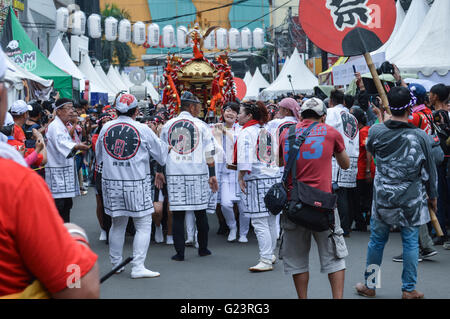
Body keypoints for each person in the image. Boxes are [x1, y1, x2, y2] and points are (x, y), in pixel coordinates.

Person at [0, 48, 99, 299]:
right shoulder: (15, 184)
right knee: (63, 216)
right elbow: (79, 289)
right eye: (69, 110)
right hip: (53, 175)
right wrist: (75, 240)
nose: (72, 113)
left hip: (58, 172)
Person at [355, 86, 438, 299]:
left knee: (377, 241)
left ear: (387, 106)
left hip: (383, 195)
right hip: (411, 196)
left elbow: (371, 150)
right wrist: (433, 195)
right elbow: (430, 168)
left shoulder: (376, 131)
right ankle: (408, 289)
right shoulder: (419, 136)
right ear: (410, 107)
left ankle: (370, 285)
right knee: (410, 241)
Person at [278, 97, 350, 299]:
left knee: (297, 260)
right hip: (323, 204)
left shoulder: (287, 133)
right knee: (334, 257)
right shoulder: (331, 133)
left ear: (300, 115)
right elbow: (345, 165)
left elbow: (280, 162)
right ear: (323, 117)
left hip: (294, 203)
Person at [96, 93, 168, 278]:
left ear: (116, 109)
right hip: (136, 182)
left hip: (111, 182)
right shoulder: (142, 129)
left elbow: (99, 157)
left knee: (117, 223)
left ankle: (116, 264)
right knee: (143, 224)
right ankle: (137, 267)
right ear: (136, 111)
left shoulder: (106, 128)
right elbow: (161, 155)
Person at [159, 91, 219, 261]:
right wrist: (212, 174)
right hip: (197, 173)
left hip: (175, 173)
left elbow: (162, 152)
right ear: (191, 107)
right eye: (198, 106)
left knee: (178, 214)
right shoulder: (201, 125)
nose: (199, 109)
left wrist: (159, 172)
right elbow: (210, 152)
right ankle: (203, 248)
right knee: (200, 213)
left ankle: (179, 253)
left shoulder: (168, 125)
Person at [235, 101, 280, 272]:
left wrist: (240, 176)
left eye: (240, 112)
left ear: (249, 116)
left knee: (259, 220)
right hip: (272, 175)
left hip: (257, 178)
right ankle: (270, 254)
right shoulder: (268, 130)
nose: (238, 115)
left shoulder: (246, 132)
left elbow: (244, 158)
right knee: (269, 220)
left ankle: (266, 259)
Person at [45, 98, 91, 223]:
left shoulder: (62, 125)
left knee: (65, 208)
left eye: (72, 108)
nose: (72, 111)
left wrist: (78, 145)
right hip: (57, 175)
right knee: (60, 210)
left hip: (62, 174)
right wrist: (77, 146)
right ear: (58, 111)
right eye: (69, 108)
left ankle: (63, 237)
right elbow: (62, 144)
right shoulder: (55, 126)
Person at [214, 102, 250, 243]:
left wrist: (225, 132)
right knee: (225, 204)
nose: (230, 113)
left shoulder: (242, 130)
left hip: (241, 174)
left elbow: (239, 143)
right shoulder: (216, 128)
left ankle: (243, 233)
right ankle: (233, 227)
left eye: (233, 112)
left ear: (237, 115)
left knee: (244, 206)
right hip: (225, 173)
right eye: (227, 110)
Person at [326, 89, 360, 236]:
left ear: (331, 100)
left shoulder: (331, 113)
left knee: (337, 194)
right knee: (346, 194)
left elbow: (326, 131)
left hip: (338, 156)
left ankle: (341, 226)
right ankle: (347, 225)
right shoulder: (352, 117)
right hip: (351, 156)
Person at [429, 84, 450, 246]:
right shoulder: (443, 113)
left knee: (441, 195)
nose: (429, 96)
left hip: (443, 159)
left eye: (431, 94)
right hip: (444, 158)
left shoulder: (438, 115)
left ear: (435, 96)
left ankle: (441, 231)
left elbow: (441, 137)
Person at [350, 106, 374, 232]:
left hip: (363, 171)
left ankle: (362, 222)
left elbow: (368, 150)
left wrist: (368, 170)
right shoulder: (360, 131)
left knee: (360, 198)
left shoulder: (364, 131)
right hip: (361, 170)